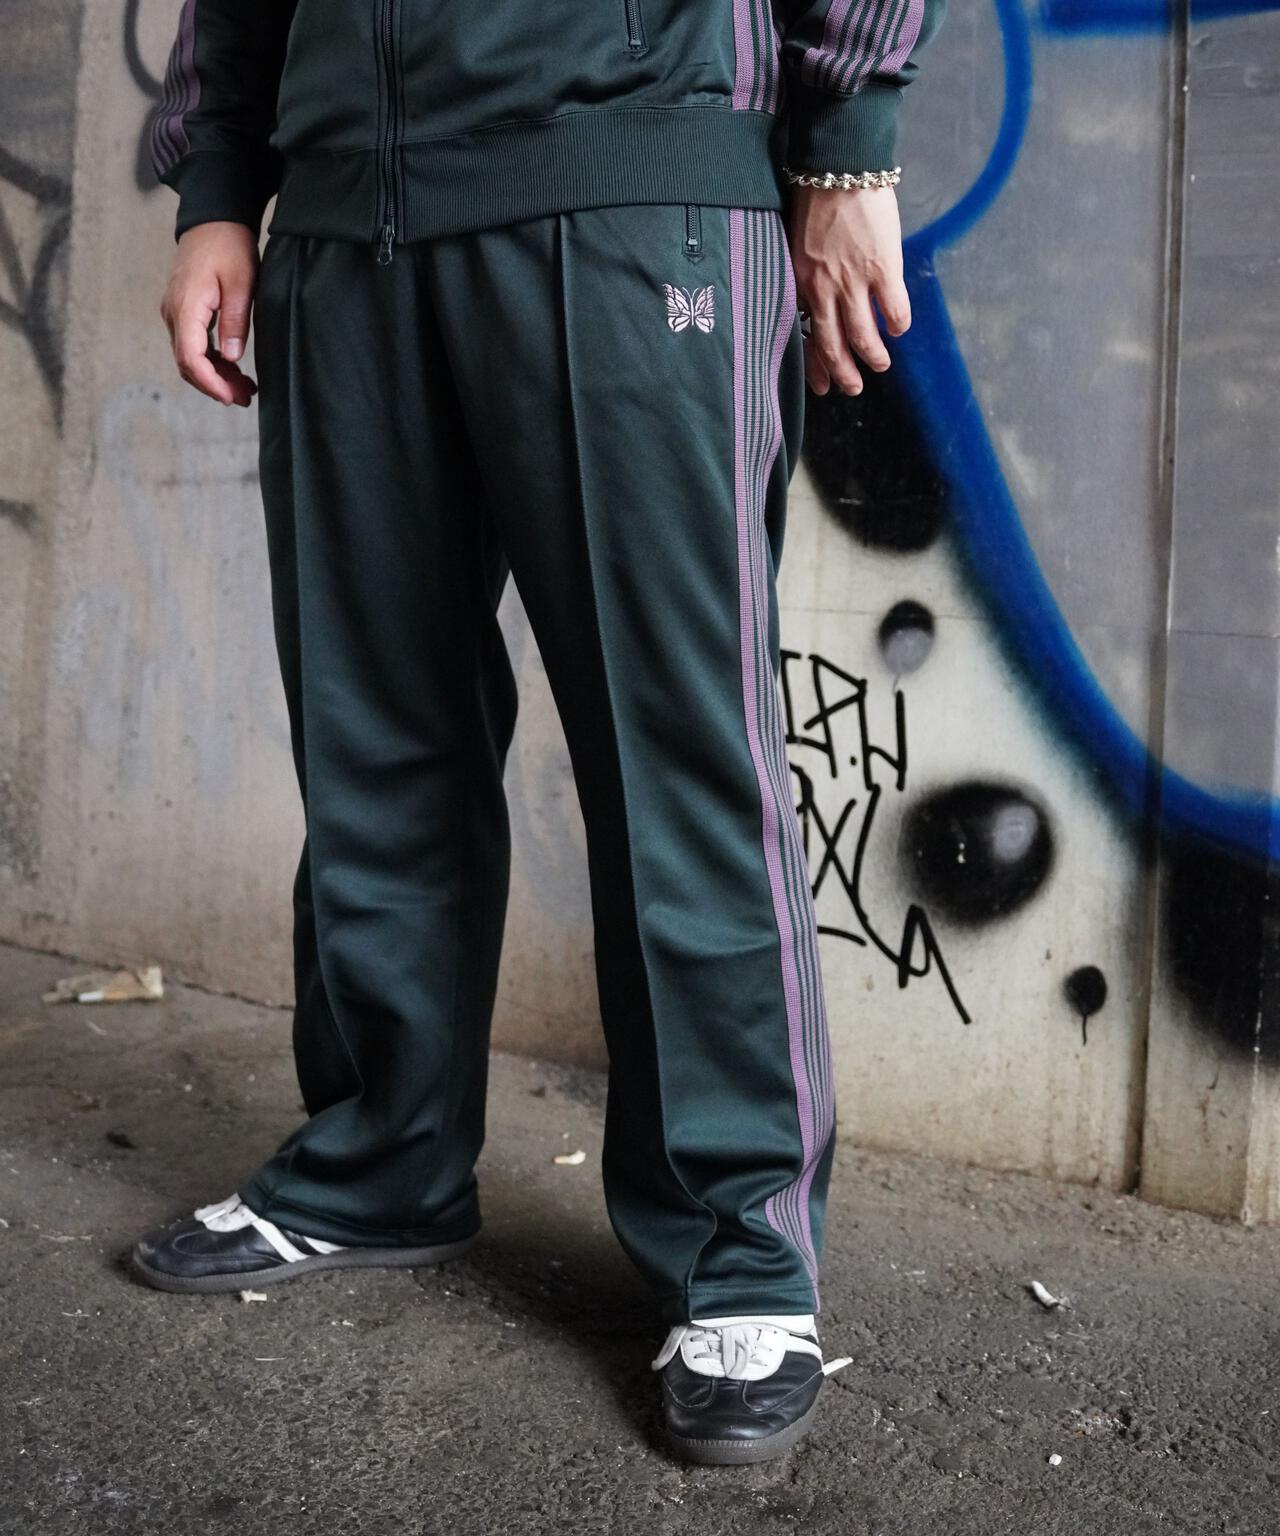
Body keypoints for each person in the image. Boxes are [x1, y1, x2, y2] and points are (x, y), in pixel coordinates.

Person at [134, 0, 945, 1465]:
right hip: (346, 217)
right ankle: (382, 1160)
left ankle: (739, 1248)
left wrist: (849, 149)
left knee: (679, 751)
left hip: (631, 182)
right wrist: (220, 183)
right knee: (374, 731)